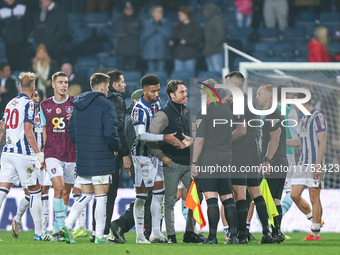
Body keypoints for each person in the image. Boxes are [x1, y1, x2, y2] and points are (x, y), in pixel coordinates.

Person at [60, 73, 121, 244]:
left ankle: (67, 225)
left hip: (84, 156)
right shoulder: (107, 105)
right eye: (107, 87)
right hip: (101, 156)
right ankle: (99, 236)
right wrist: (115, 148)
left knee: (86, 194)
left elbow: (71, 131)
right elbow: (111, 131)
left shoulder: (78, 104)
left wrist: (84, 145)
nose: (108, 90)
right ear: (103, 87)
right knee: (101, 195)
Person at [147, 80, 204, 244]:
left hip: (188, 163)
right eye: (182, 92)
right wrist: (162, 157)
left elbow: (187, 136)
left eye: (186, 91)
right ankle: (171, 236)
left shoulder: (185, 111)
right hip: (172, 164)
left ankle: (189, 232)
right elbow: (150, 137)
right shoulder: (163, 114)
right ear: (172, 95)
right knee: (170, 201)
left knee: (196, 196)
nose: (186, 94)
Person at [0, 72, 53, 241]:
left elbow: (2, 127)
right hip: (23, 154)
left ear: (18, 86)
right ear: (33, 87)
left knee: (2, 192)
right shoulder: (29, 104)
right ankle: (39, 233)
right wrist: (39, 154)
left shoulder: (10, 103)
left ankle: (25, 222)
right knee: (35, 192)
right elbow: (28, 132)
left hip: (7, 152)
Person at [130, 75, 181, 244]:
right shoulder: (139, 109)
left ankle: (156, 233)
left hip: (156, 155)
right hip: (142, 156)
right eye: (153, 91)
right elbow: (140, 134)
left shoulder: (157, 104)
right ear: (144, 91)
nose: (157, 94)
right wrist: (163, 137)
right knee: (141, 196)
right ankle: (139, 236)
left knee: (159, 195)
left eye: (158, 90)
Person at [224, 72, 273, 244]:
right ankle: (267, 233)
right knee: (255, 192)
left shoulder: (237, 102)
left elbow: (241, 130)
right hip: (253, 152)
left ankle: (242, 235)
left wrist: (224, 141)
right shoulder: (249, 100)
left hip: (241, 152)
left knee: (240, 194)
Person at [191, 79, 238, 245]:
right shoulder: (227, 111)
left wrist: (194, 163)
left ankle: (212, 237)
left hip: (210, 156)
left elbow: (200, 140)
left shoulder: (204, 112)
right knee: (227, 197)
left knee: (211, 198)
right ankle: (233, 236)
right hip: (226, 156)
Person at [90, 70, 131, 242]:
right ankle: (104, 231)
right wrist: (125, 153)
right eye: (122, 82)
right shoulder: (118, 100)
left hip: (94, 150)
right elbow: (118, 127)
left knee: (98, 193)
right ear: (114, 85)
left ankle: (95, 231)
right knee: (110, 193)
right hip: (111, 152)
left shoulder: (94, 99)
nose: (125, 85)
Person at [39, 71, 76, 240]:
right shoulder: (45, 104)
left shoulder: (75, 103)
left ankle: (56, 229)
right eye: (60, 82)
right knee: (59, 188)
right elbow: (44, 130)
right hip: (53, 153)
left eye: (66, 82)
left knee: (66, 192)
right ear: (53, 85)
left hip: (71, 153)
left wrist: (75, 119)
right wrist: (45, 154)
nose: (64, 85)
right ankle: (61, 226)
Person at [288, 93, 327, 241]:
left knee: (313, 196)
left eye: (294, 102)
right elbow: (299, 142)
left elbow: (322, 142)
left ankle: (315, 233)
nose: (293, 105)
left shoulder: (318, 117)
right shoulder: (303, 119)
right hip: (302, 163)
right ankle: (315, 219)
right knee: (294, 195)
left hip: (314, 163)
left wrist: (318, 164)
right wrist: (282, 141)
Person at [256, 84, 288, 243]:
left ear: (269, 96)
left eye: (259, 93)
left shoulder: (272, 114)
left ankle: (273, 232)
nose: (256, 97)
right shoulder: (273, 114)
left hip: (274, 161)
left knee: (264, 197)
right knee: (275, 199)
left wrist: (267, 160)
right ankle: (276, 232)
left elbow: (275, 139)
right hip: (281, 160)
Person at [277, 85, 299, 218]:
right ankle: (277, 220)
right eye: (289, 95)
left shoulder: (265, 111)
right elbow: (296, 134)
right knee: (291, 191)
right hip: (287, 154)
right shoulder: (290, 111)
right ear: (285, 96)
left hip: (268, 155)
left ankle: (268, 228)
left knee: (271, 192)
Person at [0, 0, 33, 71]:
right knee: (12, 67)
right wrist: (6, 38)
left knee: (24, 67)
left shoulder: (22, 8)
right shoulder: (1, 11)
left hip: (23, 45)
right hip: (9, 46)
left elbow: (30, 24)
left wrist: (23, 36)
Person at [34, 0, 68, 65]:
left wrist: (50, 42)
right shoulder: (39, 12)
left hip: (56, 49)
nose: (39, 5)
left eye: (41, 2)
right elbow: (37, 29)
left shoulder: (60, 11)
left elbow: (62, 30)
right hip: (42, 48)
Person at [169, 7, 202, 72]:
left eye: (180, 15)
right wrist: (172, 41)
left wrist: (187, 41)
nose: (179, 17)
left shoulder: (195, 25)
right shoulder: (179, 26)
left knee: (188, 75)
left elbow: (198, 39)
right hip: (179, 56)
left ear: (186, 15)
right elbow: (174, 37)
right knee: (178, 77)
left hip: (190, 56)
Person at [141, 5, 172, 72]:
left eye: (161, 11)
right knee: (151, 74)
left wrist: (159, 27)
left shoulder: (166, 23)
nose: (161, 13)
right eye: (159, 11)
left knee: (161, 73)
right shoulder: (147, 23)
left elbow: (169, 35)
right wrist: (153, 28)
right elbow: (143, 36)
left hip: (162, 51)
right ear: (153, 13)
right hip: (150, 52)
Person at [113, 2, 142, 71]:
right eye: (127, 8)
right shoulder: (118, 20)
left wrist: (125, 28)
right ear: (124, 10)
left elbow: (139, 31)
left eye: (131, 8)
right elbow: (117, 32)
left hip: (134, 51)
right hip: (121, 50)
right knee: (120, 73)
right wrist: (131, 29)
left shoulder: (138, 19)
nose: (129, 10)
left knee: (133, 71)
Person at [202, 3, 225, 72]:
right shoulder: (208, 21)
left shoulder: (217, 20)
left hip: (216, 51)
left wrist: (212, 47)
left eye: (205, 11)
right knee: (211, 73)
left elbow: (220, 35)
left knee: (217, 72)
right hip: (208, 51)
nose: (204, 12)